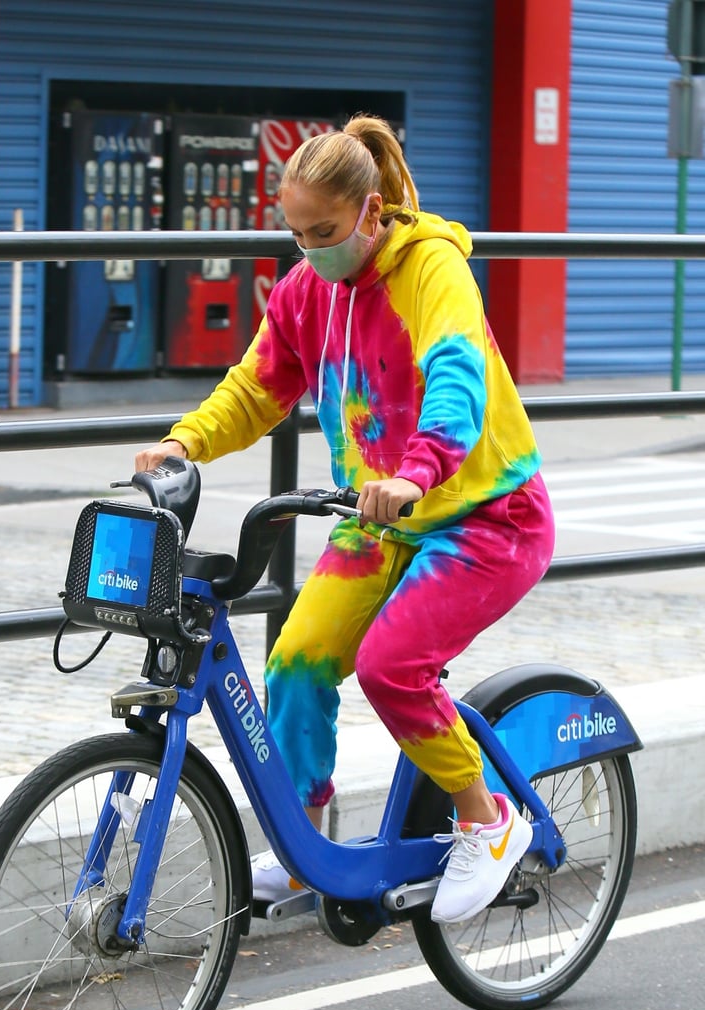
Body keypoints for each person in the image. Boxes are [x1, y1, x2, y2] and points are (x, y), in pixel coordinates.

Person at [135, 113, 555, 925]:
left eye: (323, 230)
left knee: (391, 666)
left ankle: (486, 816)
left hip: (485, 516)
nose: (310, 249)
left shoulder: (431, 269)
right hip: (376, 520)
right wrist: (184, 442)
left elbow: (457, 377)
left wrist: (415, 471)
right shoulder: (308, 290)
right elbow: (257, 387)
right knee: (295, 660)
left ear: (371, 212)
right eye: (295, 234)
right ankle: (303, 850)